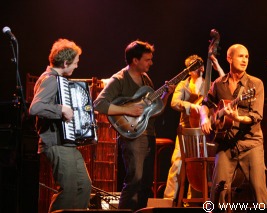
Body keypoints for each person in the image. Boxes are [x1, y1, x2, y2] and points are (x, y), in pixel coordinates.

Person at [93, 40, 175, 211]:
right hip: (132, 135)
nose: (151, 63)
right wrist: (128, 109)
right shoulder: (119, 79)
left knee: (146, 183)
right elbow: (99, 104)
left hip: (148, 133)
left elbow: (153, 111)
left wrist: (165, 96)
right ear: (135, 60)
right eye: (147, 59)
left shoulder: (146, 79)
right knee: (134, 180)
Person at [199, 44, 267, 211]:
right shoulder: (219, 84)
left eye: (247, 56)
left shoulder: (255, 84)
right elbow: (205, 104)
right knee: (218, 193)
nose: (245, 60)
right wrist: (204, 118)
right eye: (240, 56)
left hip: (250, 143)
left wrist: (238, 117)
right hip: (225, 144)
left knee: (260, 192)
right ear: (229, 58)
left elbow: (256, 116)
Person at [29, 38, 92, 212]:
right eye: (75, 63)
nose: (77, 66)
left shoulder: (59, 80)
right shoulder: (49, 79)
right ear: (65, 63)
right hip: (56, 143)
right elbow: (35, 108)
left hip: (67, 143)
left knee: (83, 187)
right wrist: (61, 109)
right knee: (69, 190)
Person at [163, 54, 224, 203]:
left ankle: (193, 202)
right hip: (185, 131)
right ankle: (167, 201)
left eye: (199, 66)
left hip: (203, 131)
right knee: (176, 164)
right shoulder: (183, 85)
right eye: (193, 68)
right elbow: (174, 103)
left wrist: (217, 67)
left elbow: (224, 86)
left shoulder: (208, 84)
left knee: (198, 168)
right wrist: (192, 106)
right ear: (189, 70)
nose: (197, 70)